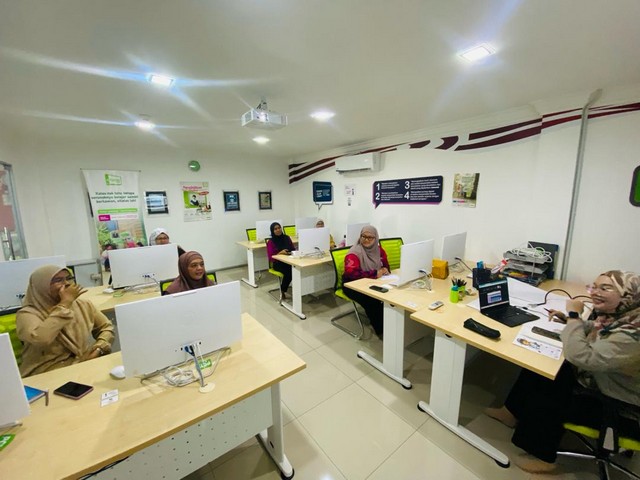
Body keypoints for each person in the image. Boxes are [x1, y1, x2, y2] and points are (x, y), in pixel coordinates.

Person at [485, 270, 640, 473]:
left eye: (606, 288)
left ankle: (543, 456)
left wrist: (574, 316)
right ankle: (512, 411)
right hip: (605, 379)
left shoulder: (632, 336)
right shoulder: (628, 316)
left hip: (620, 405)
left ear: (627, 294)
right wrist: (569, 320)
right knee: (541, 361)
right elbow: (598, 327)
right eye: (594, 287)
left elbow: (580, 356)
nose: (596, 292)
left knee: (552, 385)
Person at [16, 265, 115, 377]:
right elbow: (41, 339)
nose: (67, 283)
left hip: (83, 364)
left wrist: (99, 348)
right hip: (46, 372)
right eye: (58, 280)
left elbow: (106, 327)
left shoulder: (83, 304)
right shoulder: (27, 314)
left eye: (69, 278)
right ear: (41, 287)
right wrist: (64, 305)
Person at [342, 226, 390, 337]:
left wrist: (385, 269)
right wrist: (374, 274)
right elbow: (351, 274)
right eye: (363, 236)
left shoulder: (379, 250)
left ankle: (391, 324)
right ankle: (382, 331)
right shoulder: (354, 252)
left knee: (389, 296)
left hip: (372, 282)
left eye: (370, 237)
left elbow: (386, 266)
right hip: (351, 285)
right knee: (373, 300)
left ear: (376, 238)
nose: (366, 240)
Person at [266, 222, 295, 300]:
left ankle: (298, 289)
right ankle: (282, 290)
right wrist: (280, 253)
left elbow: (293, 248)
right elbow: (271, 257)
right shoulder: (271, 242)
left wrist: (290, 252)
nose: (278, 230)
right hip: (277, 263)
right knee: (289, 272)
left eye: (279, 228)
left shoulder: (287, 238)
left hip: (289, 260)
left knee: (296, 270)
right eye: (275, 229)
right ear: (272, 231)